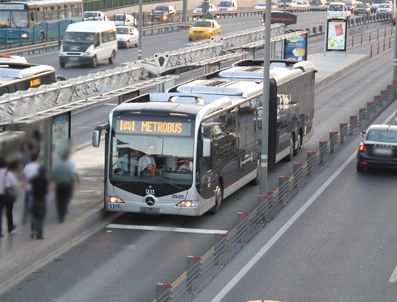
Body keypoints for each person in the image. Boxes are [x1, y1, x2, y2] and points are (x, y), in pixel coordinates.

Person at [50, 150, 77, 223]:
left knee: (59, 200)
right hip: (67, 186)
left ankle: (60, 215)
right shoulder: (68, 167)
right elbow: (72, 178)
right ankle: (64, 210)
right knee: (66, 199)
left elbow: (52, 176)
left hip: (59, 186)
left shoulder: (57, 166)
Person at [0, 158, 18, 237]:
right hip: (7, 195)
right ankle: (10, 229)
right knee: (9, 213)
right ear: (6, 166)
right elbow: (15, 184)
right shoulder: (8, 173)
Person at [30, 166, 48, 240]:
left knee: (34, 216)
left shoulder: (34, 179)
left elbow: (30, 184)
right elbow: (46, 191)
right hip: (42, 200)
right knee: (41, 217)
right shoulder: (46, 180)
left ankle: (32, 230)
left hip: (34, 200)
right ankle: (39, 234)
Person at [22, 153, 40, 224]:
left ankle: (25, 214)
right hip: (36, 184)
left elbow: (24, 175)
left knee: (27, 198)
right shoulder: (38, 166)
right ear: (37, 159)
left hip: (29, 184)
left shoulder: (27, 166)